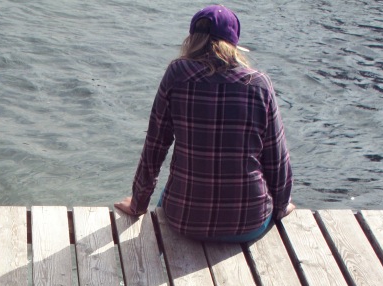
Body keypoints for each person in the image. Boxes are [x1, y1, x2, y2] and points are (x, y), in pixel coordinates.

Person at [115, 5, 295, 242]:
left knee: (166, 205)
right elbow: (277, 158)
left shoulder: (177, 75)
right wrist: (282, 206)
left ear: (192, 39)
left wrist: (139, 203)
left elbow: (155, 147)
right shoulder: (259, 85)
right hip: (249, 222)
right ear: (233, 44)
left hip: (186, 220)